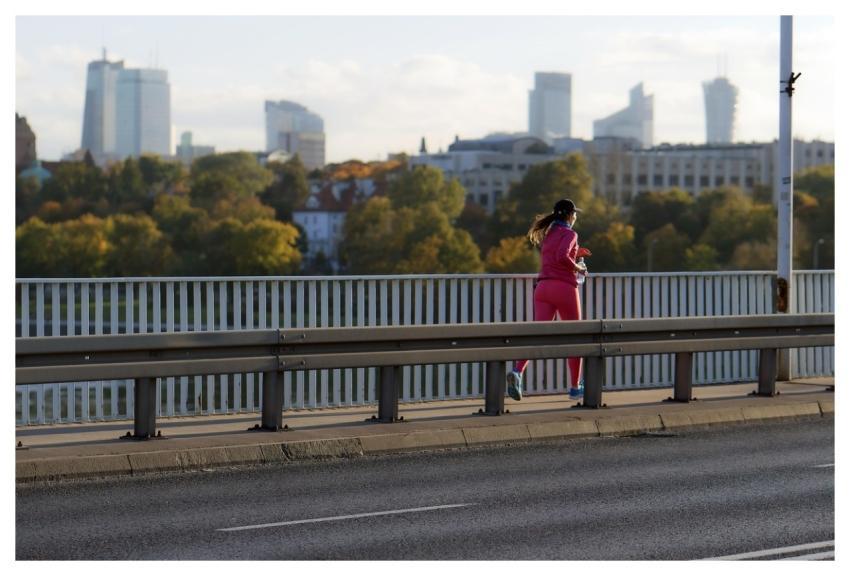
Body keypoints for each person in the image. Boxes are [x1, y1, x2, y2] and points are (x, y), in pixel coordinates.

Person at [506, 198, 591, 401]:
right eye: (575, 213)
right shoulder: (571, 233)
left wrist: (575, 252)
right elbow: (562, 257)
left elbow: (556, 255)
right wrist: (579, 267)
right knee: (575, 337)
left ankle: (517, 372)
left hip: (543, 288)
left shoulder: (550, 234)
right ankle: (574, 387)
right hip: (564, 288)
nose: (576, 216)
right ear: (570, 215)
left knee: (537, 334)